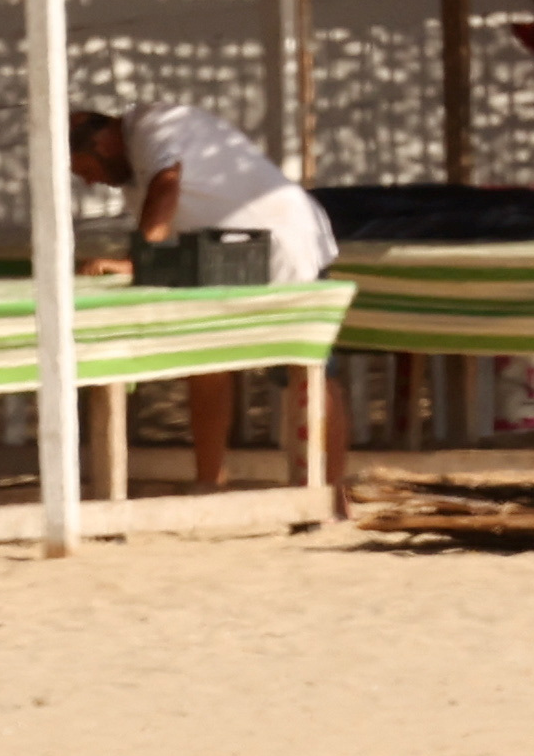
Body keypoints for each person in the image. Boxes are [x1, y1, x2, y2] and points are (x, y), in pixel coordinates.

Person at [68, 104, 347, 494]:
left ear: (104, 143)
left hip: (284, 245)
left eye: (86, 169)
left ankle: (330, 493)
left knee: (307, 368)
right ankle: (209, 481)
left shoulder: (156, 126)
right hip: (220, 259)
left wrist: (136, 261)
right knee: (206, 361)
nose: (91, 182)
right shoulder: (133, 166)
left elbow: (168, 182)